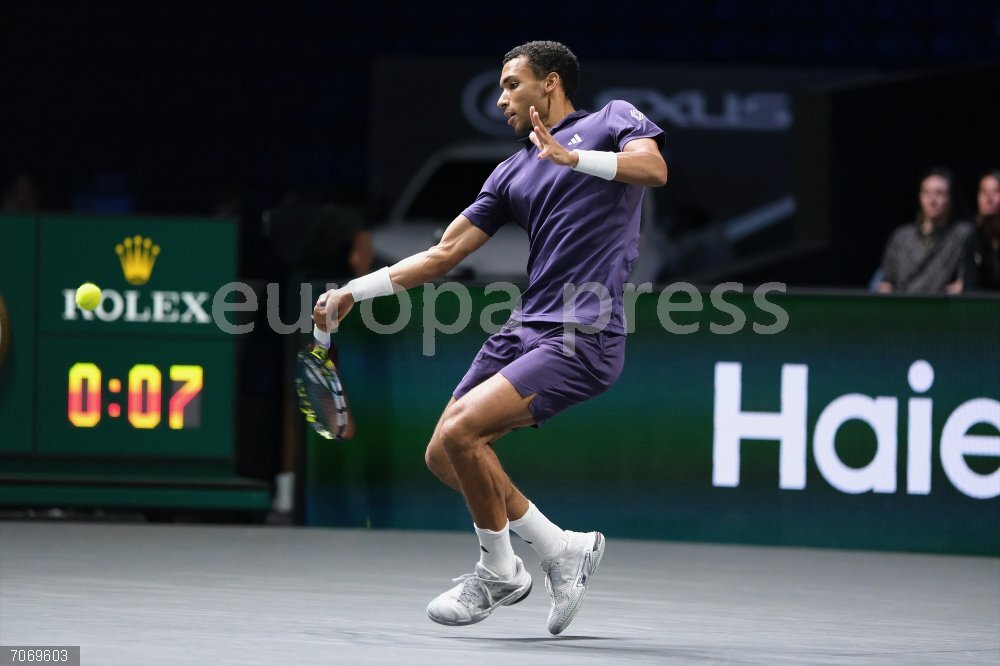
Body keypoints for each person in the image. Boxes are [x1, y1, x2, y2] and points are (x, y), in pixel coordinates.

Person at [313, 40, 667, 634]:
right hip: (528, 325)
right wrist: (354, 290)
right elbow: (443, 255)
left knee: (461, 431)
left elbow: (653, 169)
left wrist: (575, 160)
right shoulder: (509, 172)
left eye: (512, 84)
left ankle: (499, 570)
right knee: (443, 452)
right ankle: (559, 549)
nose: (502, 98)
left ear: (550, 84)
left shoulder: (613, 120)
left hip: (585, 333)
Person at [877, 167, 973, 294]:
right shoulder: (901, 236)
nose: (932, 200)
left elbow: (965, 281)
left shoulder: (962, 235)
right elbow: (886, 281)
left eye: (939, 193)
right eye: (926, 193)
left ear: (951, 198)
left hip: (941, 308)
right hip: (903, 306)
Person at [960, 170, 1000, 292]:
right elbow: (970, 286)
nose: (988, 198)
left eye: (996, 191)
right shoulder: (973, 238)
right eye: (983, 192)